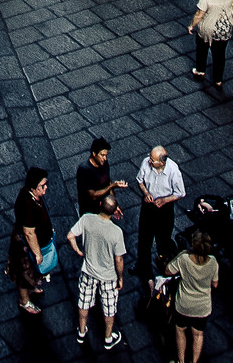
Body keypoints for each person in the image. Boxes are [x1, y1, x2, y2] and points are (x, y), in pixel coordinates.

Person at [67, 191, 125, 351]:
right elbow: (119, 259)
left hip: (88, 272)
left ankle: (82, 331)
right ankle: (108, 338)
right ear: (114, 212)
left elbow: (70, 236)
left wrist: (79, 251)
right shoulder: (116, 233)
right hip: (108, 276)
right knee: (109, 307)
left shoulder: (86, 219)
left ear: (100, 205)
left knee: (84, 302)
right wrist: (120, 278)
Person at [5, 165, 53, 318]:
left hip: (33, 243)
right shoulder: (27, 204)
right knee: (24, 274)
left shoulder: (31, 196)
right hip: (24, 247)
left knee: (31, 271)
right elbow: (29, 232)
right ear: (33, 187)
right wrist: (38, 254)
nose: (45, 188)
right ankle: (24, 300)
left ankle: (33, 287)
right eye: (42, 186)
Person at [165, 229, 218, 363]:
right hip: (202, 307)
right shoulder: (213, 262)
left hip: (184, 304)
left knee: (180, 331)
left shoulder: (184, 259)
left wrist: (181, 254)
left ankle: (181, 360)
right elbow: (215, 284)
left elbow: (168, 270)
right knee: (198, 334)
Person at [135, 145, 185, 278]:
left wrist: (164, 200)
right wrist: (145, 193)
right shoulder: (146, 163)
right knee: (144, 238)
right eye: (150, 158)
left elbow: (180, 193)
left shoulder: (173, 171)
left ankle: (164, 267)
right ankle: (142, 266)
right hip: (148, 206)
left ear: (162, 162)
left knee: (163, 240)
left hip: (165, 210)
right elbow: (140, 181)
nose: (149, 161)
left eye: (153, 160)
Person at [188, 0, 233, 89]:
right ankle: (218, 80)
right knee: (220, 55)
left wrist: (191, 25)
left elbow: (200, 15)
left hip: (207, 28)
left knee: (202, 48)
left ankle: (200, 71)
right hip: (224, 30)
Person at [77, 139, 127, 217]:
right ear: (94, 153)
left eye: (106, 155)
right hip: (90, 212)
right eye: (102, 155)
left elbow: (108, 183)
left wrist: (113, 205)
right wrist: (112, 186)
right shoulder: (85, 170)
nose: (105, 158)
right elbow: (93, 195)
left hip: (103, 210)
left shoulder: (104, 163)